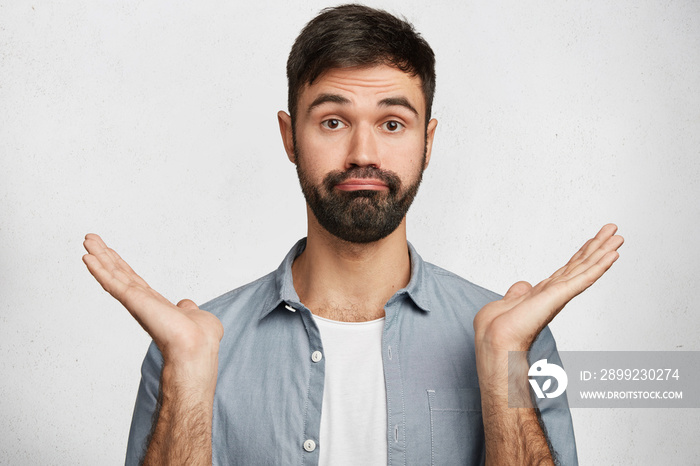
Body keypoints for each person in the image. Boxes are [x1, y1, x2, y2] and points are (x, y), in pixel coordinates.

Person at [82, 4, 623, 465]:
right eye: (333, 121)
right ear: (290, 136)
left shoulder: (521, 339)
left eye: (392, 123)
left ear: (427, 142)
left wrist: (506, 353)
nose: (363, 154)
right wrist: (190, 379)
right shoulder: (187, 345)